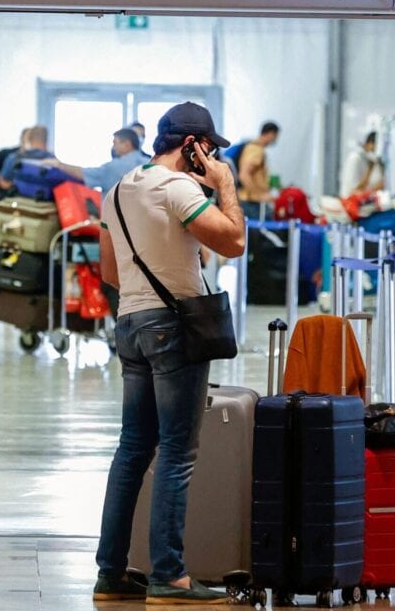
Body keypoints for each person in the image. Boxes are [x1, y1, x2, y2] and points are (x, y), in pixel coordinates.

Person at [93, 102, 245, 604]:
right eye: (210, 149)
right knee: (178, 453)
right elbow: (234, 241)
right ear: (193, 146)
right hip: (173, 328)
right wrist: (224, 184)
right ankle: (169, 574)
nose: (213, 156)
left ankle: (111, 572)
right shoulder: (178, 188)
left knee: (133, 448)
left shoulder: (116, 192)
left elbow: (110, 274)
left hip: (130, 325)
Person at [41, 128, 150, 194]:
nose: (113, 147)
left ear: (127, 144)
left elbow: (83, 174)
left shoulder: (113, 167)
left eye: (115, 142)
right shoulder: (151, 164)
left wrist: (58, 165)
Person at [228, 121, 280, 204]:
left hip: (249, 200)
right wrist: (259, 196)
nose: (276, 139)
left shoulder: (254, 147)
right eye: (276, 136)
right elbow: (244, 175)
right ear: (271, 134)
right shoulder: (255, 150)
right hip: (250, 201)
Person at [0, 125, 54, 192]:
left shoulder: (14, 158)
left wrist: (16, 185)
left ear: (29, 139)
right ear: (46, 140)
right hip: (47, 200)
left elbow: (3, 181)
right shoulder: (54, 160)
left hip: (19, 199)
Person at [340, 131, 385, 196]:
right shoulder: (355, 158)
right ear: (370, 143)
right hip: (351, 201)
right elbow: (354, 190)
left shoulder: (372, 160)